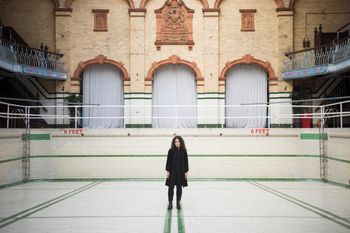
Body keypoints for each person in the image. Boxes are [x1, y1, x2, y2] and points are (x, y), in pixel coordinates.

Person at [165, 135, 189, 210]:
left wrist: (186, 171)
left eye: (178, 141)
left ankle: (178, 202)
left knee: (179, 188)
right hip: (172, 172)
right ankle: (170, 203)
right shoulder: (171, 151)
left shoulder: (184, 151)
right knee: (171, 188)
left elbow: (186, 162)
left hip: (180, 172)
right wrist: (168, 171)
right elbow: (168, 161)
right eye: (175, 141)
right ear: (174, 142)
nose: (177, 143)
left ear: (181, 142)